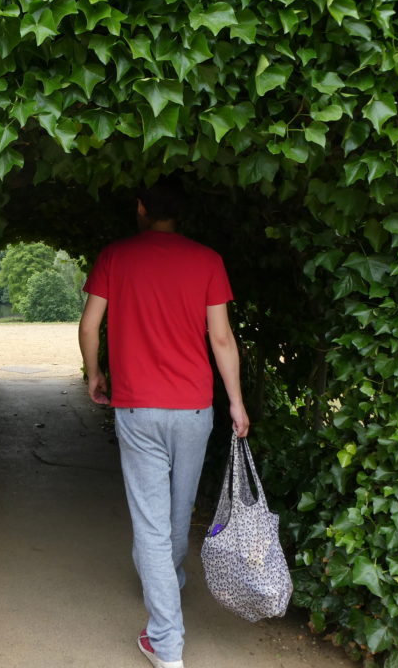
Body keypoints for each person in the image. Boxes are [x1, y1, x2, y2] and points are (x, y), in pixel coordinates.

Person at [78, 182, 249, 668]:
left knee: (152, 526)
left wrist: (95, 374)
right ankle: (166, 591)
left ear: (141, 209)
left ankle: (166, 643)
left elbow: (90, 326)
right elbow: (221, 338)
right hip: (195, 410)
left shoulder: (116, 256)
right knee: (176, 514)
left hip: (137, 409)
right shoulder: (208, 260)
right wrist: (235, 403)